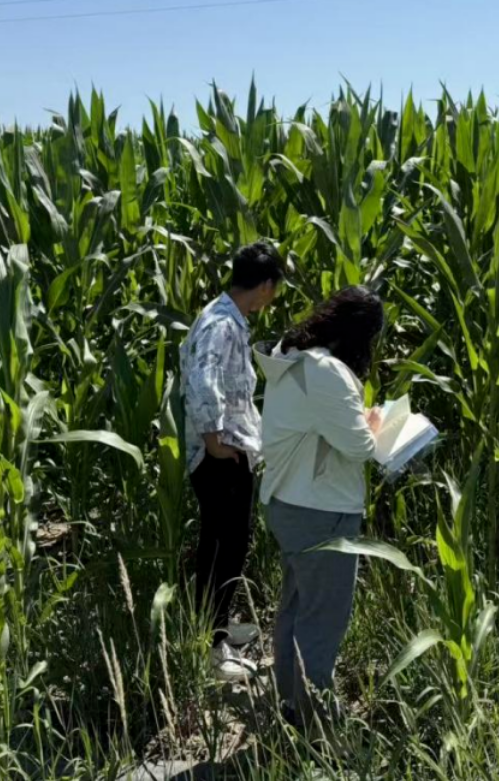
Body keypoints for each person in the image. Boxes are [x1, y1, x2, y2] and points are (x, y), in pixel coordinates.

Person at [254, 286, 386, 729]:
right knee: (323, 618)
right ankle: (317, 723)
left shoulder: (292, 358)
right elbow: (360, 446)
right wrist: (374, 421)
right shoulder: (327, 372)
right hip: (321, 510)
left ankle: (291, 703)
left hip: (287, 503)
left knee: (295, 608)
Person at [180, 241, 285, 683]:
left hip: (228, 447)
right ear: (265, 286)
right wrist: (214, 440)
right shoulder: (222, 323)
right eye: (275, 288)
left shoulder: (225, 316)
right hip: (220, 453)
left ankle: (215, 627)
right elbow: (202, 380)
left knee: (224, 543)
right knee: (225, 546)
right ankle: (211, 647)